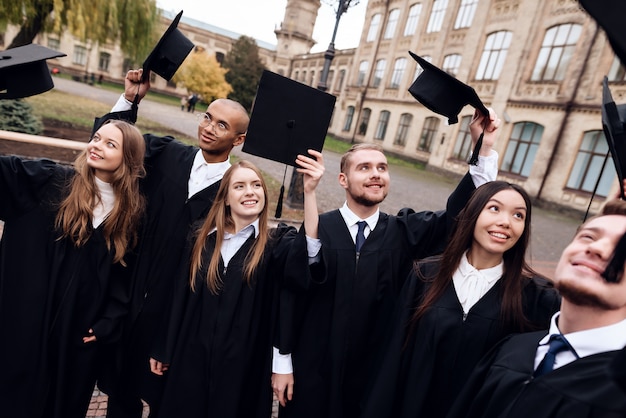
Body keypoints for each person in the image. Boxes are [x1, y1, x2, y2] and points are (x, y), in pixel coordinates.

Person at [279, 109, 501, 418]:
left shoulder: (405, 231)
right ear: (343, 179)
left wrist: (483, 149)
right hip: (313, 370)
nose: (376, 174)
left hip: (374, 376)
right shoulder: (319, 228)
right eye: (365, 167)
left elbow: (459, 217)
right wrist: (283, 363)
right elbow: (293, 294)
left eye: (382, 167)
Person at [97, 68, 250, 418]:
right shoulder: (166, 153)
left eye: (222, 125)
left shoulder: (234, 190)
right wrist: (130, 99)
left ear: (238, 140)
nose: (209, 127)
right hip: (131, 293)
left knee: (169, 400)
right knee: (120, 393)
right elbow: (107, 143)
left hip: (180, 311)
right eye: (208, 117)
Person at [361, 181, 561, 418]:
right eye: (494, 208)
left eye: (518, 215)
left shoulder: (537, 297)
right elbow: (391, 358)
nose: (506, 222)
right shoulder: (425, 276)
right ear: (472, 214)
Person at [148, 153, 324, 418]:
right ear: (225, 198)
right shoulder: (200, 238)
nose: (250, 191)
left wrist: (309, 193)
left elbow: (308, 255)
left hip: (243, 364)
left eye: (256, 185)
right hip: (190, 357)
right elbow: (177, 296)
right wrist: (165, 347)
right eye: (239, 186)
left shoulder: (275, 244)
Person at [0, 120, 146, 418]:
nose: (96, 145)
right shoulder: (52, 181)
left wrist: (106, 324)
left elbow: (125, 277)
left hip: (76, 338)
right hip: (28, 325)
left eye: (110, 144)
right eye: (96, 138)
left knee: (62, 405)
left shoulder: (128, 213)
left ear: (128, 158)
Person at [447, 198, 626, 418]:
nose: (596, 248)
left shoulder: (619, 390)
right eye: (588, 236)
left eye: (622, 249)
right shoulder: (511, 349)